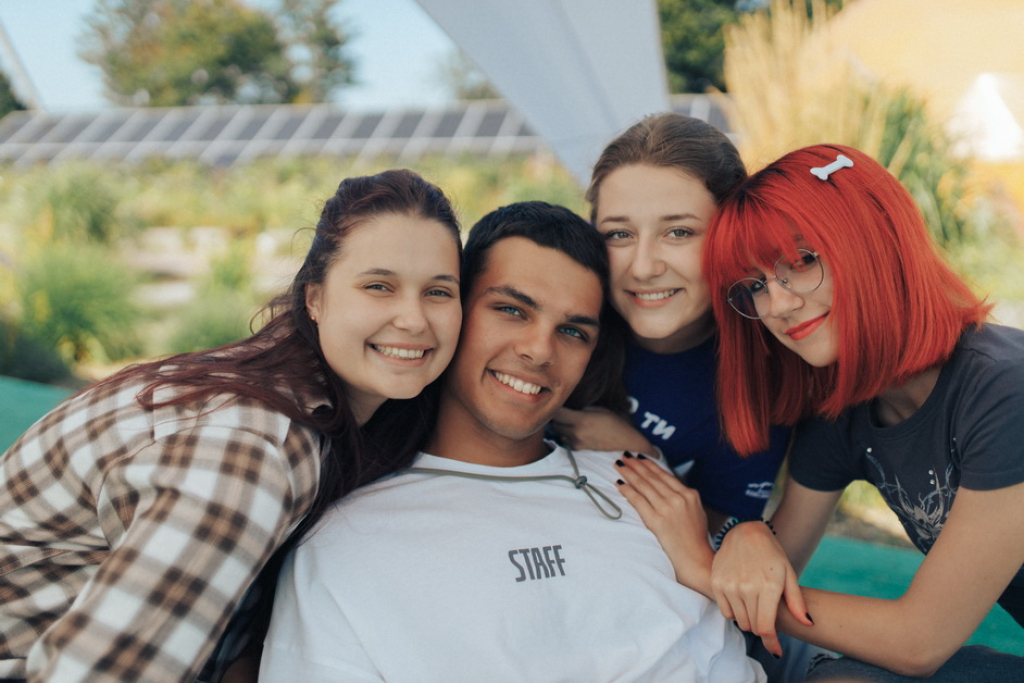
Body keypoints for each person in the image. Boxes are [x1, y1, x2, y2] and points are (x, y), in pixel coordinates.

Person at [259, 201, 766, 682]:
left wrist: (744, 534)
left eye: (573, 332)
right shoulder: (343, 539)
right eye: (511, 310)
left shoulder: (642, 487)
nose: (539, 350)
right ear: (454, 310)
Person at [0, 169, 464, 683]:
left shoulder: (312, 398)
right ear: (314, 298)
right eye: (379, 286)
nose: (413, 319)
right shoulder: (253, 450)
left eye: (438, 292)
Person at [623, 143, 1024, 681]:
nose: (779, 304)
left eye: (802, 261)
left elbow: (919, 640)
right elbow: (778, 562)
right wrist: (746, 537)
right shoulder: (845, 406)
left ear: (874, 242)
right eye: (755, 285)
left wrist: (703, 569)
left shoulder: (1004, 389)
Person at [549, 113, 790, 534]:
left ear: (732, 237)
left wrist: (640, 457)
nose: (643, 268)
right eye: (619, 234)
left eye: (678, 232)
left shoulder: (762, 371)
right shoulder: (555, 305)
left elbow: (719, 537)